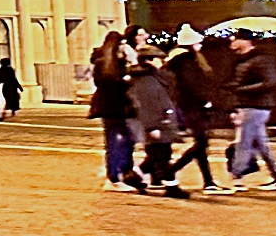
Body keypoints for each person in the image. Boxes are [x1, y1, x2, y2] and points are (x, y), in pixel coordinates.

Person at [165, 26, 230, 194]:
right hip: (192, 106)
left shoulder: (184, 60)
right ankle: (171, 170)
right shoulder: (185, 61)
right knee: (201, 143)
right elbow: (192, 84)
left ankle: (208, 181)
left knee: (201, 144)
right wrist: (205, 100)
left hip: (190, 105)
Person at [224, 30, 276, 189]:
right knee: (261, 144)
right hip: (249, 106)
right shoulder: (242, 60)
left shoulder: (261, 59)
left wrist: (240, 89)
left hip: (256, 107)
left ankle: (237, 176)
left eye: (235, 39)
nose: (232, 43)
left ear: (245, 41)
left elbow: (269, 82)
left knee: (244, 142)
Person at [126, 45, 186, 197]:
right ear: (150, 60)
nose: (163, 62)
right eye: (159, 59)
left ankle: (135, 176)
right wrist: (152, 126)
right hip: (158, 123)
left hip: (162, 121)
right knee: (162, 156)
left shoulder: (152, 77)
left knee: (156, 154)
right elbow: (147, 105)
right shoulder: (145, 80)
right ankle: (172, 186)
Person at [89, 32, 142, 191]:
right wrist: (128, 74)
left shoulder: (108, 62)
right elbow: (110, 83)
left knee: (122, 141)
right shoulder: (108, 64)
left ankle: (123, 174)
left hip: (116, 107)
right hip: (114, 107)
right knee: (117, 142)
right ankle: (115, 177)